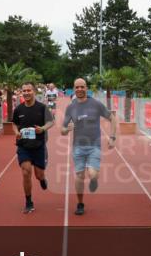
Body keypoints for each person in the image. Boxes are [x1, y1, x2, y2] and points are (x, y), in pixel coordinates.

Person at [61, 78, 117, 216]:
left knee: (92, 174)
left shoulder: (96, 104)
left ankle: (94, 180)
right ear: (74, 89)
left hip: (94, 146)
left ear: (86, 88)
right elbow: (62, 130)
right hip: (78, 147)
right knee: (79, 175)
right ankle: (80, 203)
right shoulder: (71, 107)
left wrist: (112, 137)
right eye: (77, 87)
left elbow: (112, 118)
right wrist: (67, 129)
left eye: (82, 87)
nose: (80, 89)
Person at [12, 82, 53, 213]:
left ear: (34, 92)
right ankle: (29, 202)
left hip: (39, 146)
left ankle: (42, 179)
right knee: (26, 172)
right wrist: (16, 132)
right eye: (24, 91)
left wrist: (43, 129)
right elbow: (14, 124)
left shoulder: (42, 107)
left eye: (29, 90)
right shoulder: (18, 109)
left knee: (38, 175)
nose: (26, 93)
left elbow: (51, 121)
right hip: (23, 146)